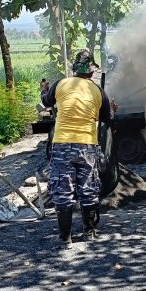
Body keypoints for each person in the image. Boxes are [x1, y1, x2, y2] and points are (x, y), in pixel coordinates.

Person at [40, 50, 113, 248]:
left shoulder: (61, 84)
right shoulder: (98, 91)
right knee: (88, 188)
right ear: (91, 72)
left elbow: (46, 102)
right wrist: (112, 108)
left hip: (62, 144)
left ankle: (65, 237)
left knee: (63, 191)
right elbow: (107, 119)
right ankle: (89, 232)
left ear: (75, 69)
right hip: (87, 145)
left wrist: (44, 89)